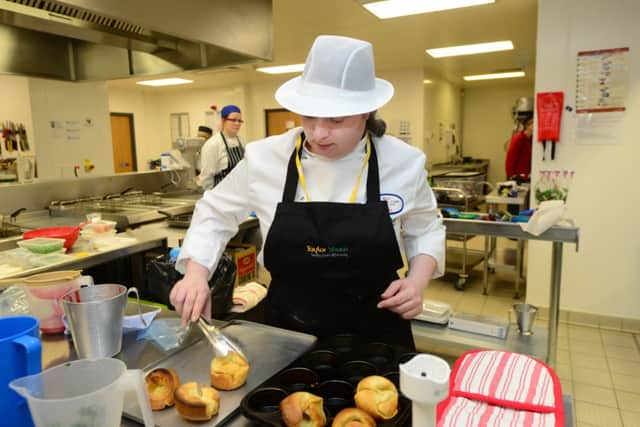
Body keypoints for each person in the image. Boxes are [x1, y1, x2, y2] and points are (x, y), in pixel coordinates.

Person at [171, 35, 445, 349]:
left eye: (336, 119)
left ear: (367, 111)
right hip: (289, 327)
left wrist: (417, 282)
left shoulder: (403, 162)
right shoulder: (266, 157)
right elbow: (215, 212)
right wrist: (195, 273)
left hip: (378, 325)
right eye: (309, 117)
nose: (318, 133)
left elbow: (425, 227)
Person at [198, 105, 245, 190]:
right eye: (233, 120)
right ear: (223, 121)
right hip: (220, 197)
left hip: (239, 194)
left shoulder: (241, 141)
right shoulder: (213, 144)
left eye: (239, 121)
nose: (237, 123)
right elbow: (206, 178)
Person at [505, 116, 533, 182]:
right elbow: (510, 159)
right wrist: (512, 176)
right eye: (533, 123)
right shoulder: (519, 138)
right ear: (527, 125)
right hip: (517, 176)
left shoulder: (531, 140)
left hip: (526, 175)